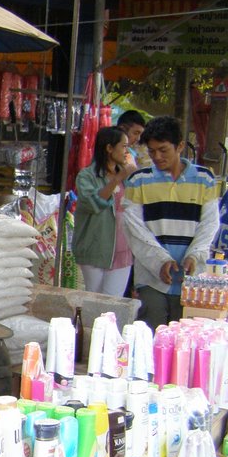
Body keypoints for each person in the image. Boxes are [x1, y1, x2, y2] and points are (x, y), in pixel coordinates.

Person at [123, 115, 220, 329]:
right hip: (151, 278)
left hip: (192, 280)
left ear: (180, 146)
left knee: (184, 341)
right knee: (151, 336)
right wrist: (161, 261)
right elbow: (134, 228)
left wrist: (194, 255)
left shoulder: (205, 179)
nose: (157, 156)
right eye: (152, 151)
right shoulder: (138, 180)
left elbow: (209, 224)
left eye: (163, 150)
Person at [72, 126, 136, 296]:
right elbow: (94, 203)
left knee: (113, 305)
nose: (126, 151)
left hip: (123, 249)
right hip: (96, 248)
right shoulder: (87, 176)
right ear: (109, 148)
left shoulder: (128, 176)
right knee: (95, 300)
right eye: (123, 146)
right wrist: (118, 178)